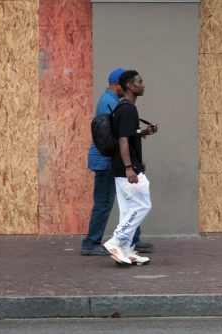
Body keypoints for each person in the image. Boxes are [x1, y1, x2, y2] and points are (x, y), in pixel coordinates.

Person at [81, 68, 153, 256]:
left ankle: (132, 239)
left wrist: (143, 133)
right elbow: (116, 137)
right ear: (117, 85)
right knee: (105, 203)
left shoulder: (117, 102)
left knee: (130, 202)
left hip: (116, 159)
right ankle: (91, 243)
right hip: (106, 161)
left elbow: (125, 133)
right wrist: (129, 165)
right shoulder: (109, 102)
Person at [103, 70, 157, 266]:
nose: (143, 85)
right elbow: (123, 140)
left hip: (124, 167)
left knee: (127, 211)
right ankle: (116, 241)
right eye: (140, 82)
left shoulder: (124, 108)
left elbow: (130, 135)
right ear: (130, 86)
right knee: (143, 205)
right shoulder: (128, 110)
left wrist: (144, 132)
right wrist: (129, 168)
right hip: (128, 168)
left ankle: (125, 249)